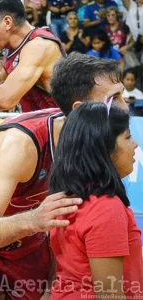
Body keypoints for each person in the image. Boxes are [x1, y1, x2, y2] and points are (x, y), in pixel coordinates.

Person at [0, 53, 130, 299]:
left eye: (123, 94)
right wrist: (34, 221)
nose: (125, 106)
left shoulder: (97, 142)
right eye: (115, 98)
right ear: (80, 109)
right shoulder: (23, 143)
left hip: (26, 230)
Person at [49, 102, 142, 298]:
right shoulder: (106, 207)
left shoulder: (69, 196)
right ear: (104, 150)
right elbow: (110, 294)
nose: (135, 145)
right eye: (128, 137)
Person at [0, 0, 65, 112]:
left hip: (62, 126)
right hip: (41, 124)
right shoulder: (13, 45)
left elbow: (6, 98)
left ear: (7, 22)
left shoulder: (39, 46)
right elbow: (2, 78)